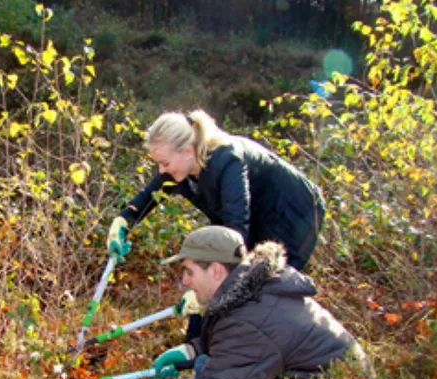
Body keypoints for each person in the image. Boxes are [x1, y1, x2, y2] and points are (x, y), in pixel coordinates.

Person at [90, 226, 363, 379]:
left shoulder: (251, 323)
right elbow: (242, 344)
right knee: (204, 363)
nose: (185, 281)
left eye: (189, 272)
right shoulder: (255, 288)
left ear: (217, 271)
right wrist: (191, 350)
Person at [106, 109, 326, 271]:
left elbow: (236, 231)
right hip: (256, 215)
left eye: (164, 163)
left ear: (187, 152)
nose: (161, 171)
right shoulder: (180, 167)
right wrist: (121, 224)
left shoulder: (228, 161)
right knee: (222, 284)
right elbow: (147, 198)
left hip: (295, 212)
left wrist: (216, 285)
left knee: (268, 287)